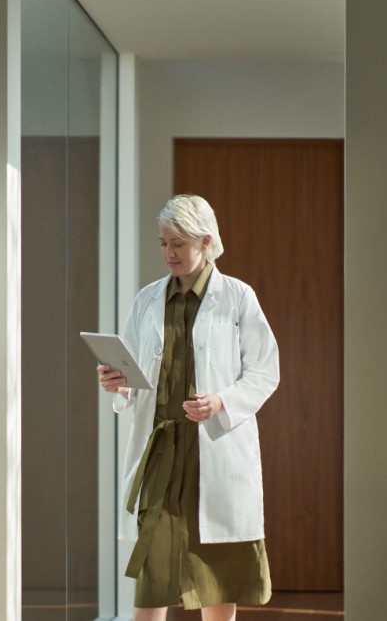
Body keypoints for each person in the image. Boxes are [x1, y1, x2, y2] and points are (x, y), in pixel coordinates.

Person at [97, 194, 280, 621]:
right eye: (163, 243)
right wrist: (117, 384)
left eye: (178, 243)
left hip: (212, 450)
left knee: (216, 576)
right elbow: (135, 373)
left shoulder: (237, 298)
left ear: (206, 241)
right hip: (161, 452)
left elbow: (265, 372)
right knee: (153, 574)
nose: (168, 254)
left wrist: (221, 401)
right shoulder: (147, 300)